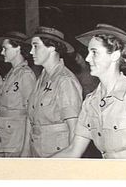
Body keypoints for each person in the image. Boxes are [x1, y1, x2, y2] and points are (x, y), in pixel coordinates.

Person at [52, 23, 126, 159]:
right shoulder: (91, 102)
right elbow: (73, 151)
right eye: (88, 52)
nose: (87, 59)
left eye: (94, 52)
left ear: (115, 56)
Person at [24, 26, 83, 157]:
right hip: (38, 153)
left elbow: (74, 131)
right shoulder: (42, 77)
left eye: (36, 46)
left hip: (57, 155)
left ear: (51, 47)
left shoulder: (65, 81)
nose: (31, 52)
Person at [0, 31, 36, 157]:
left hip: (17, 139)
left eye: (5, 48)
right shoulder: (12, 73)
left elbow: (31, 113)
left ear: (18, 49)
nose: (2, 52)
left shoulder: (26, 75)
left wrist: (26, 148)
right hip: (6, 137)